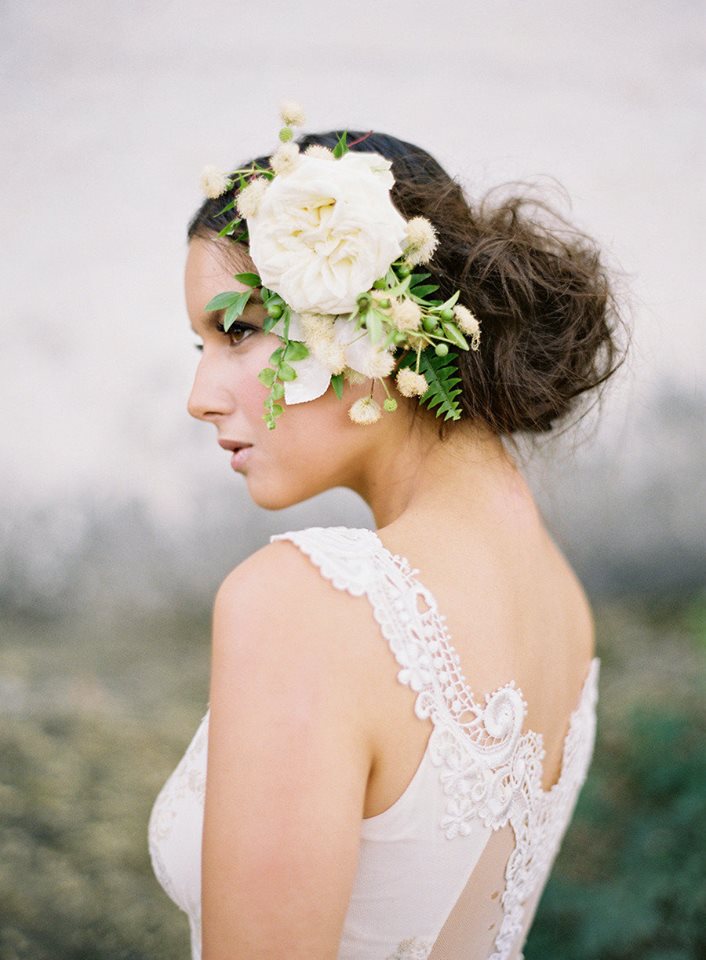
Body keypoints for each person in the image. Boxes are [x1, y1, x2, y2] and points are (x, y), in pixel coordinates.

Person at [148, 101, 629, 960]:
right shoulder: (561, 600)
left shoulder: (306, 604)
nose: (201, 397)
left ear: (372, 321)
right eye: (201, 349)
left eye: (240, 331)